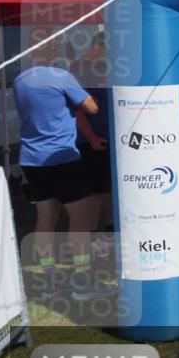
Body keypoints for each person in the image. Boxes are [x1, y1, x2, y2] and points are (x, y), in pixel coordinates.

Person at [13, 29, 111, 300]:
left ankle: (48, 282)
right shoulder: (62, 76)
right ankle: (82, 281)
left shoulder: (20, 79)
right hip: (61, 157)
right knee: (78, 220)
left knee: (45, 219)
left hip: (31, 159)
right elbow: (91, 107)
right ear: (50, 50)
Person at [70, 32, 113, 235]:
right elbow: (78, 109)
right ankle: (94, 236)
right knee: (96, 192)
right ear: (100, 47)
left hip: (111, 135)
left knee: (110, 189)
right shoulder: (79, 68)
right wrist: (92, 137)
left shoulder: (106, 67)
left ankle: (111, 233)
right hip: (92, 139)